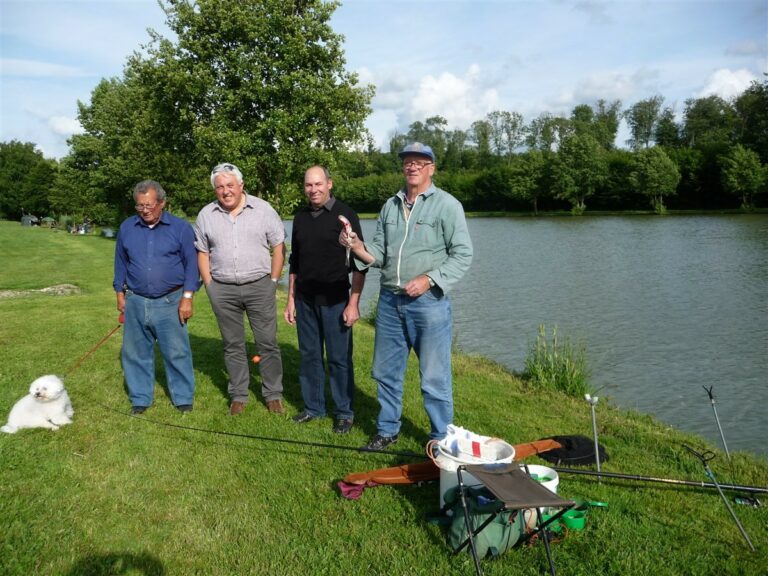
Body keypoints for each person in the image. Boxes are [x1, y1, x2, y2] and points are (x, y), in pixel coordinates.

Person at [340, 142, 473, 450]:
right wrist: (356, 245)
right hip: (389, 302)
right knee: (385, 372)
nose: (412, 166)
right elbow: (380, 254)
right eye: (407, 162)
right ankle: (387, 430)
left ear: (431, 168)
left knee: (434, 377)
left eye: (420, 161)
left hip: (429, 305)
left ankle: (441, 438)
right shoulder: (390, 206)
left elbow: (463, 254)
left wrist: (429, 280)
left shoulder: (447, 205)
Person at [194, 163, 286, 416]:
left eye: (230, 185)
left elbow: (279, 247)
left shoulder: (263, 209)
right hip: (223, 289)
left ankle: (273, 394)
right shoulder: (206, 215)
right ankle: (239, 395)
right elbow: (202, 253)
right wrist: (210, 285)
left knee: (267, 343)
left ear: (241, 186)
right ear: (215, 190)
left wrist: (273, 281)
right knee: (232, 344)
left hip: (259, 286)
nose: (225, 191)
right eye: (220, 187)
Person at [283, 166, 366, 434]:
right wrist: (291, 299)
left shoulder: (345, 215)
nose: (313, 189)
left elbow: (360, 263)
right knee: (309, 357)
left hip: (335, 300)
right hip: (306, 300)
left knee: (339, 358)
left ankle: (344, 412)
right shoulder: (301, 218)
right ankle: (313, 408)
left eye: (318, 184)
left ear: (329, 184)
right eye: (308, 185)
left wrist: (353, 303)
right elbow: (295, 261)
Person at [113, 180, 199, 415]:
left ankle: (182, 399)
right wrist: (119, 292)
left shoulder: (180, 228)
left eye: (149, 205)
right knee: (135, 352)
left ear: (162, 202)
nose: (145, 210)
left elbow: (192, 265)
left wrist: (188, 297)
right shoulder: (127, 228)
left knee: (176, 351)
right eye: (140, 206)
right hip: (136, 299)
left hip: (171, 300)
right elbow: (120, 262)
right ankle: (140, 398)